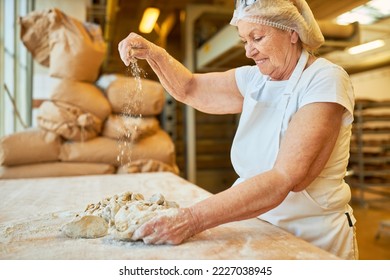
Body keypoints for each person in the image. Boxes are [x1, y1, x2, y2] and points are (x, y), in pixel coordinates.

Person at [118, 0, 358, 259]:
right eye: (245, 40)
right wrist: (154, 54)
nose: (249, 52)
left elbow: (286, 178)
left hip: (313, 238)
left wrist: (192, 219)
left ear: (292, 32)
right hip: (256, 226)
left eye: (257, 37)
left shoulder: (325, 80)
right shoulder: (255, 79)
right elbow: (189, 88)